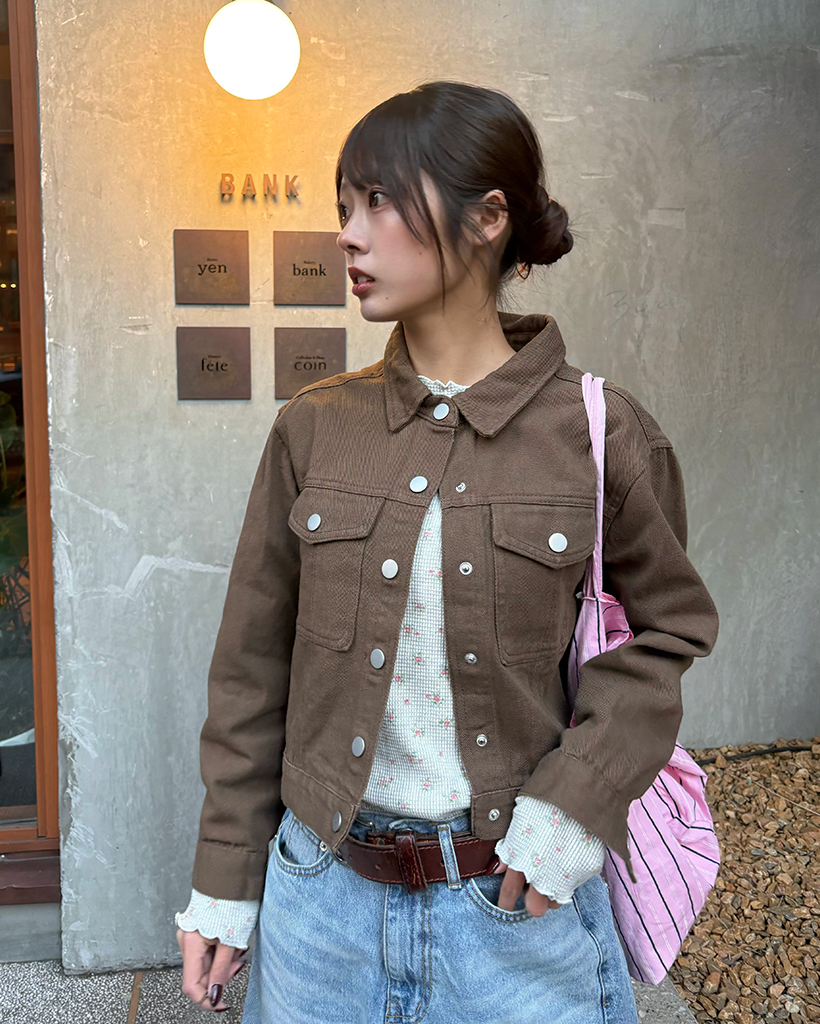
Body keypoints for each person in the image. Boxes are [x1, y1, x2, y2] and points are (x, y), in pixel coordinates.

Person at [175, 80, 719, 1022]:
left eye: (378, 201)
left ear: (488, 218)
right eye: (343, 206)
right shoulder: (315, 428)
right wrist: (226, 876)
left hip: (516, 904)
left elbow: (666, 635)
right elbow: (251, 673)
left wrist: (573, 808)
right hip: (321, 906)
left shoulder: (600, 434)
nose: (348, 235)